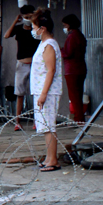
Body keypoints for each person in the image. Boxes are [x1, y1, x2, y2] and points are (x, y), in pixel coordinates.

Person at [30, 9, 63, 172]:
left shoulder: (50, 45)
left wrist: (43, 94)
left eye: (34, 26)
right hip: (41, 90)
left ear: (42, 28)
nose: (32, 30)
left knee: (49, 126)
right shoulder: (43, 44)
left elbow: (50, 70)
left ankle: (53, 159)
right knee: (44, 126)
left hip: (48, 92)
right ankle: (49, 157)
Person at [4, 5, 41, 131]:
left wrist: (35, 22)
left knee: (36, 92)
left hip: (35, 64)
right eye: (26, 17)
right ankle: (17, 121)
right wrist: (16, 21)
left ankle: (37, 120)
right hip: (21, 63)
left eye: (30, 17)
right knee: (19, 93)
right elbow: (6, 35)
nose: (28, 19)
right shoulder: (19, 29)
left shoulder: (36, 30)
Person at [61, 14, 87, 124]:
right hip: (80, 68)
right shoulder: (80, 35)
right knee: (78, 95)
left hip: (72, 69)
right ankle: (80, 117)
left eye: (65, 25)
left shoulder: (72, 37)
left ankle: (79, 119)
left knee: (74, 96)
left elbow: (68, 53)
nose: (64, 27)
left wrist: (59, 50)